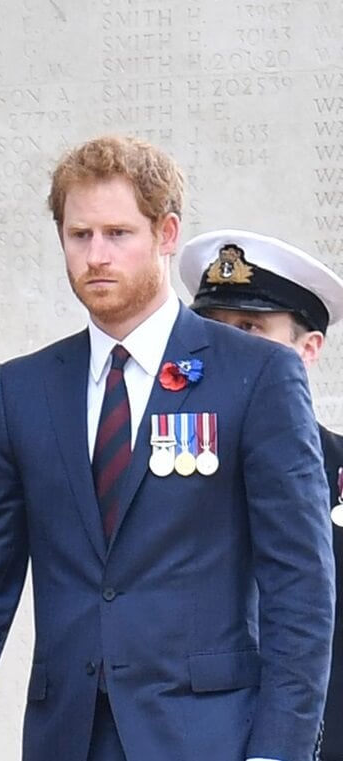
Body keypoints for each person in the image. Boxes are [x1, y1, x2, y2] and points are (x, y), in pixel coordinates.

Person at [0, 135, 334, 761]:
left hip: (211, 737)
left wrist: (279, 751)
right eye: (79, 235)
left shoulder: (256, 376)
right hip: (66, 737)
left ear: (166, 233)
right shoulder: (23, 389)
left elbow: (299, 584)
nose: (96, 256)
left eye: (118, 233)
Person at [179, 228, 343, 760]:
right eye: (212, 328)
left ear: (308, 349)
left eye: (250, 328)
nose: (227, 347)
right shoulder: (153, 467)